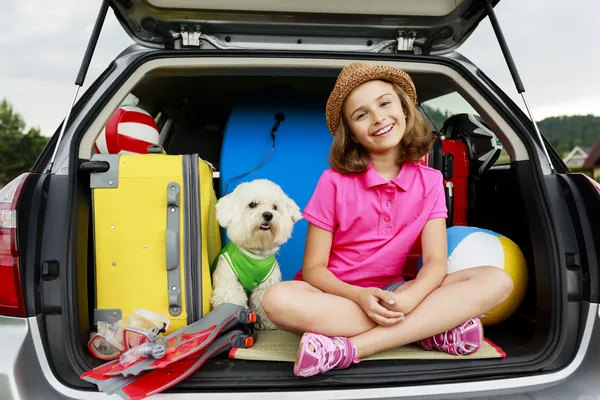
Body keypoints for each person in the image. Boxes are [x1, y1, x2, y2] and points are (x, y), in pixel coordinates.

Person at [261, 61, 514, 378]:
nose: (378, 118)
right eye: (361, 115)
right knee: (277, 300)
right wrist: (359, 297)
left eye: (385, 103)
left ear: (405, 109)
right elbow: (314, 269)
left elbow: (435, 262)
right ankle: (429, 330)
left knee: (497, 280)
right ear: (351, 133)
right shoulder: (333, 182)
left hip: (395, 293)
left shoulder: (431, 181)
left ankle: (351, 349)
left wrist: (409, 299)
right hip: (337, 297)